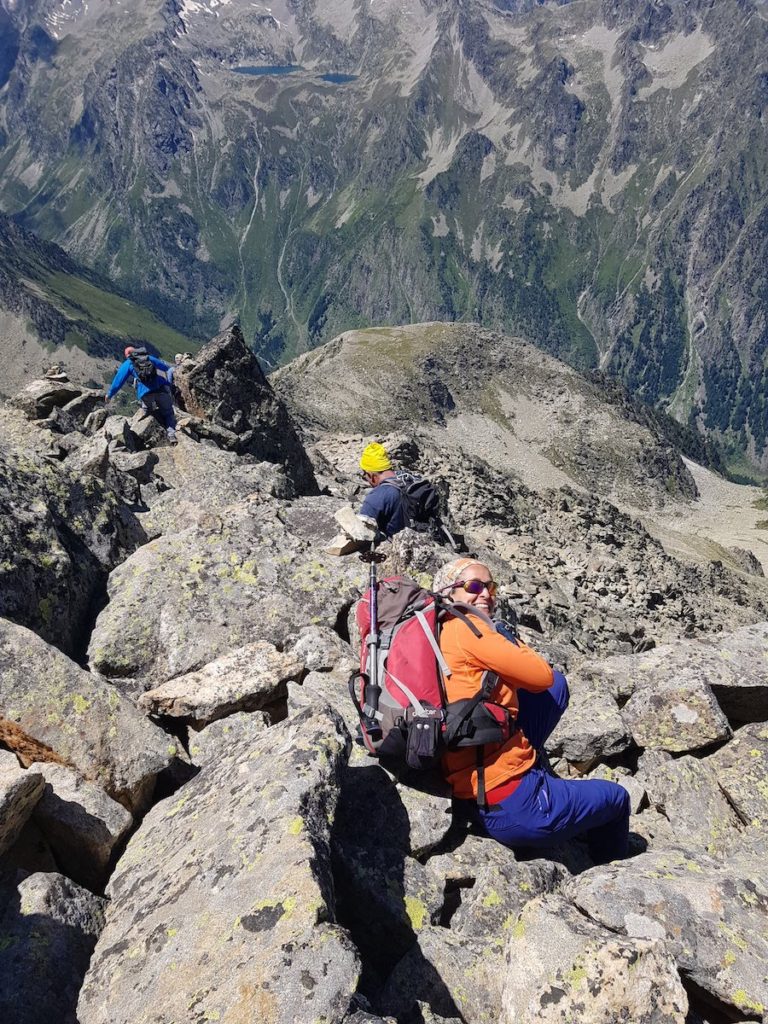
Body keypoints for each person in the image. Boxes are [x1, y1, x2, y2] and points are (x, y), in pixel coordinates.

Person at [434, 556, 630, 865]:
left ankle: (530, 764)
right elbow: (541, 675)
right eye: (473, 586)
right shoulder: (471, 631)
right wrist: (512, 640)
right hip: (515, 807)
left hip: (469, 782)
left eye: (490, 586)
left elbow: (550, 687)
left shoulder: (442, 631)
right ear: (449, 593)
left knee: (556, 691)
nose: (485, 593)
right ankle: (609, 871)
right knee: (618, 799)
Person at [105, 346, 178, 445]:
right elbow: (165, 367)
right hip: (161, 388)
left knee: (148, 411)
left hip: (145, 393)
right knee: (168, 413)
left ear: (127, 355)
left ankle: (147, 437)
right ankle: (171, 434)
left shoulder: (128, 363)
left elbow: (118, 381)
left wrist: (110, 395)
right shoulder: (148, 358)